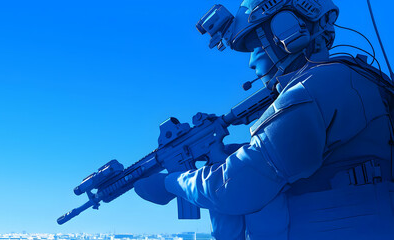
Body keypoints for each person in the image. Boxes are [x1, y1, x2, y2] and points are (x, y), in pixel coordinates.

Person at [134, 0, 394, 239]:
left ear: (287, 31)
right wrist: (233, 155)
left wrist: (170, 183)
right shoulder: (353, 77)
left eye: (255, 45)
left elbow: (234, 188)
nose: (250, 62)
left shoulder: (312, 91)